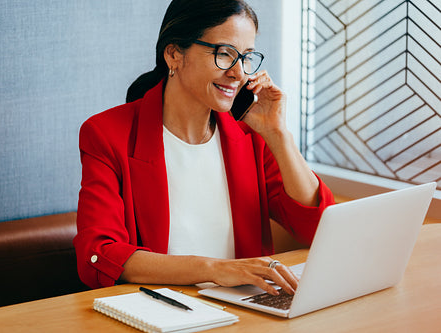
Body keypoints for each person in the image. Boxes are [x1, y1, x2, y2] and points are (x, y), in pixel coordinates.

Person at [74, 0, 334, 297]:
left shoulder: (251, 134)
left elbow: (317, 229)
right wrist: (215, 270)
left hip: (246, 312)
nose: (239, 73)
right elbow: (98, 255)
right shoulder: (107, 134)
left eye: (246, 57)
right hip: (161, 311)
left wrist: (279, 134)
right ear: (174, 55)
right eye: (224, 54)